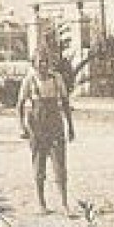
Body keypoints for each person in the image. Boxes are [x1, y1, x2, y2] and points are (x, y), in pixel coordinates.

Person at [17, 51, 75, 214]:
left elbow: (65, 103)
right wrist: (22, 126)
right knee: (39, 164)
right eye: (40, 61)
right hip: (37, 125)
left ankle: (64, 204)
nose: (43, 64)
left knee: (60, 165)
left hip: (55, 124)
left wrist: (70, 127)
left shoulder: (57, 78)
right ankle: (41, 204)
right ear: (33, 63)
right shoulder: (30, 80)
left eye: (46, 61)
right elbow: (20, 105)